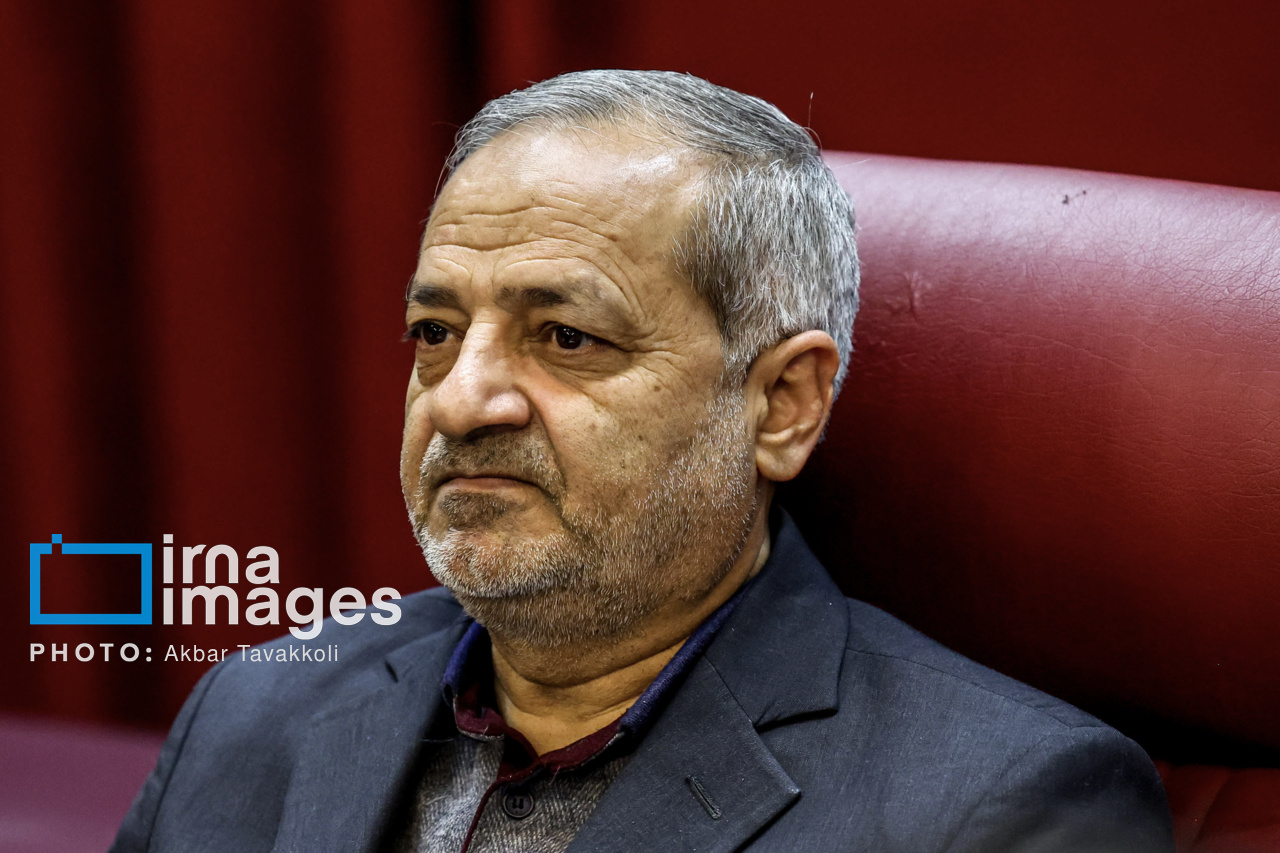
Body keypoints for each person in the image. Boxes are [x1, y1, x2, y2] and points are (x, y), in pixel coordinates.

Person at [112, 69, 1173, 852]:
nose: (462, 400)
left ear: (780, 405)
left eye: (567, 336)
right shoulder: (257, 709)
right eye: (436, 331)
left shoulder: (1000, 806)